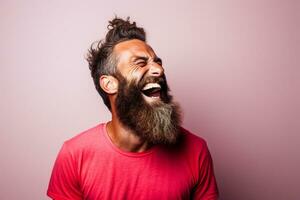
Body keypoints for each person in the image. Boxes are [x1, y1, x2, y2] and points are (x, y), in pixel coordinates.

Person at [47, 17, 219, 200]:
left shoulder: (196, 150)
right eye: (140, 63)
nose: (159, 70)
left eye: (158, 62)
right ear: (110, 84)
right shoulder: (74, 155)